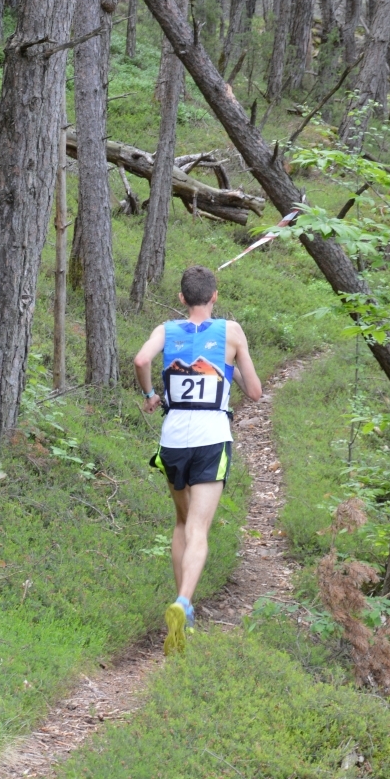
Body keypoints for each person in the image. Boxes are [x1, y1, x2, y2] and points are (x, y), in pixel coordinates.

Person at [133, 265, 262, 655]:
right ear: (215, 296)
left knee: (182, 521)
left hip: (173, 437)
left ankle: (180, 605)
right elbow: (254, 392)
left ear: (182, 299)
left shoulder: (165, 330)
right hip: (211, 436)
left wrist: (151, 394)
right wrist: (232, 369)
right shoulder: (232, 331)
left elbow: (141, 361)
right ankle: (184, 604)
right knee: (199, 529)